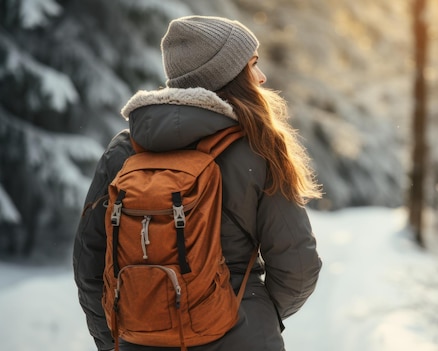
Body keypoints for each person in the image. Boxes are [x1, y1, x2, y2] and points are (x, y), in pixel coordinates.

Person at [73, 16, 323, 351]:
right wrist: (255, 315)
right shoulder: (257, 150)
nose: (262, 77)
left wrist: (115, 340)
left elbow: (90, 264)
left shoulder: (123, 151)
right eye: (252, 65)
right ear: (227, 75)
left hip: (140, 340)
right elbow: (299, 267)